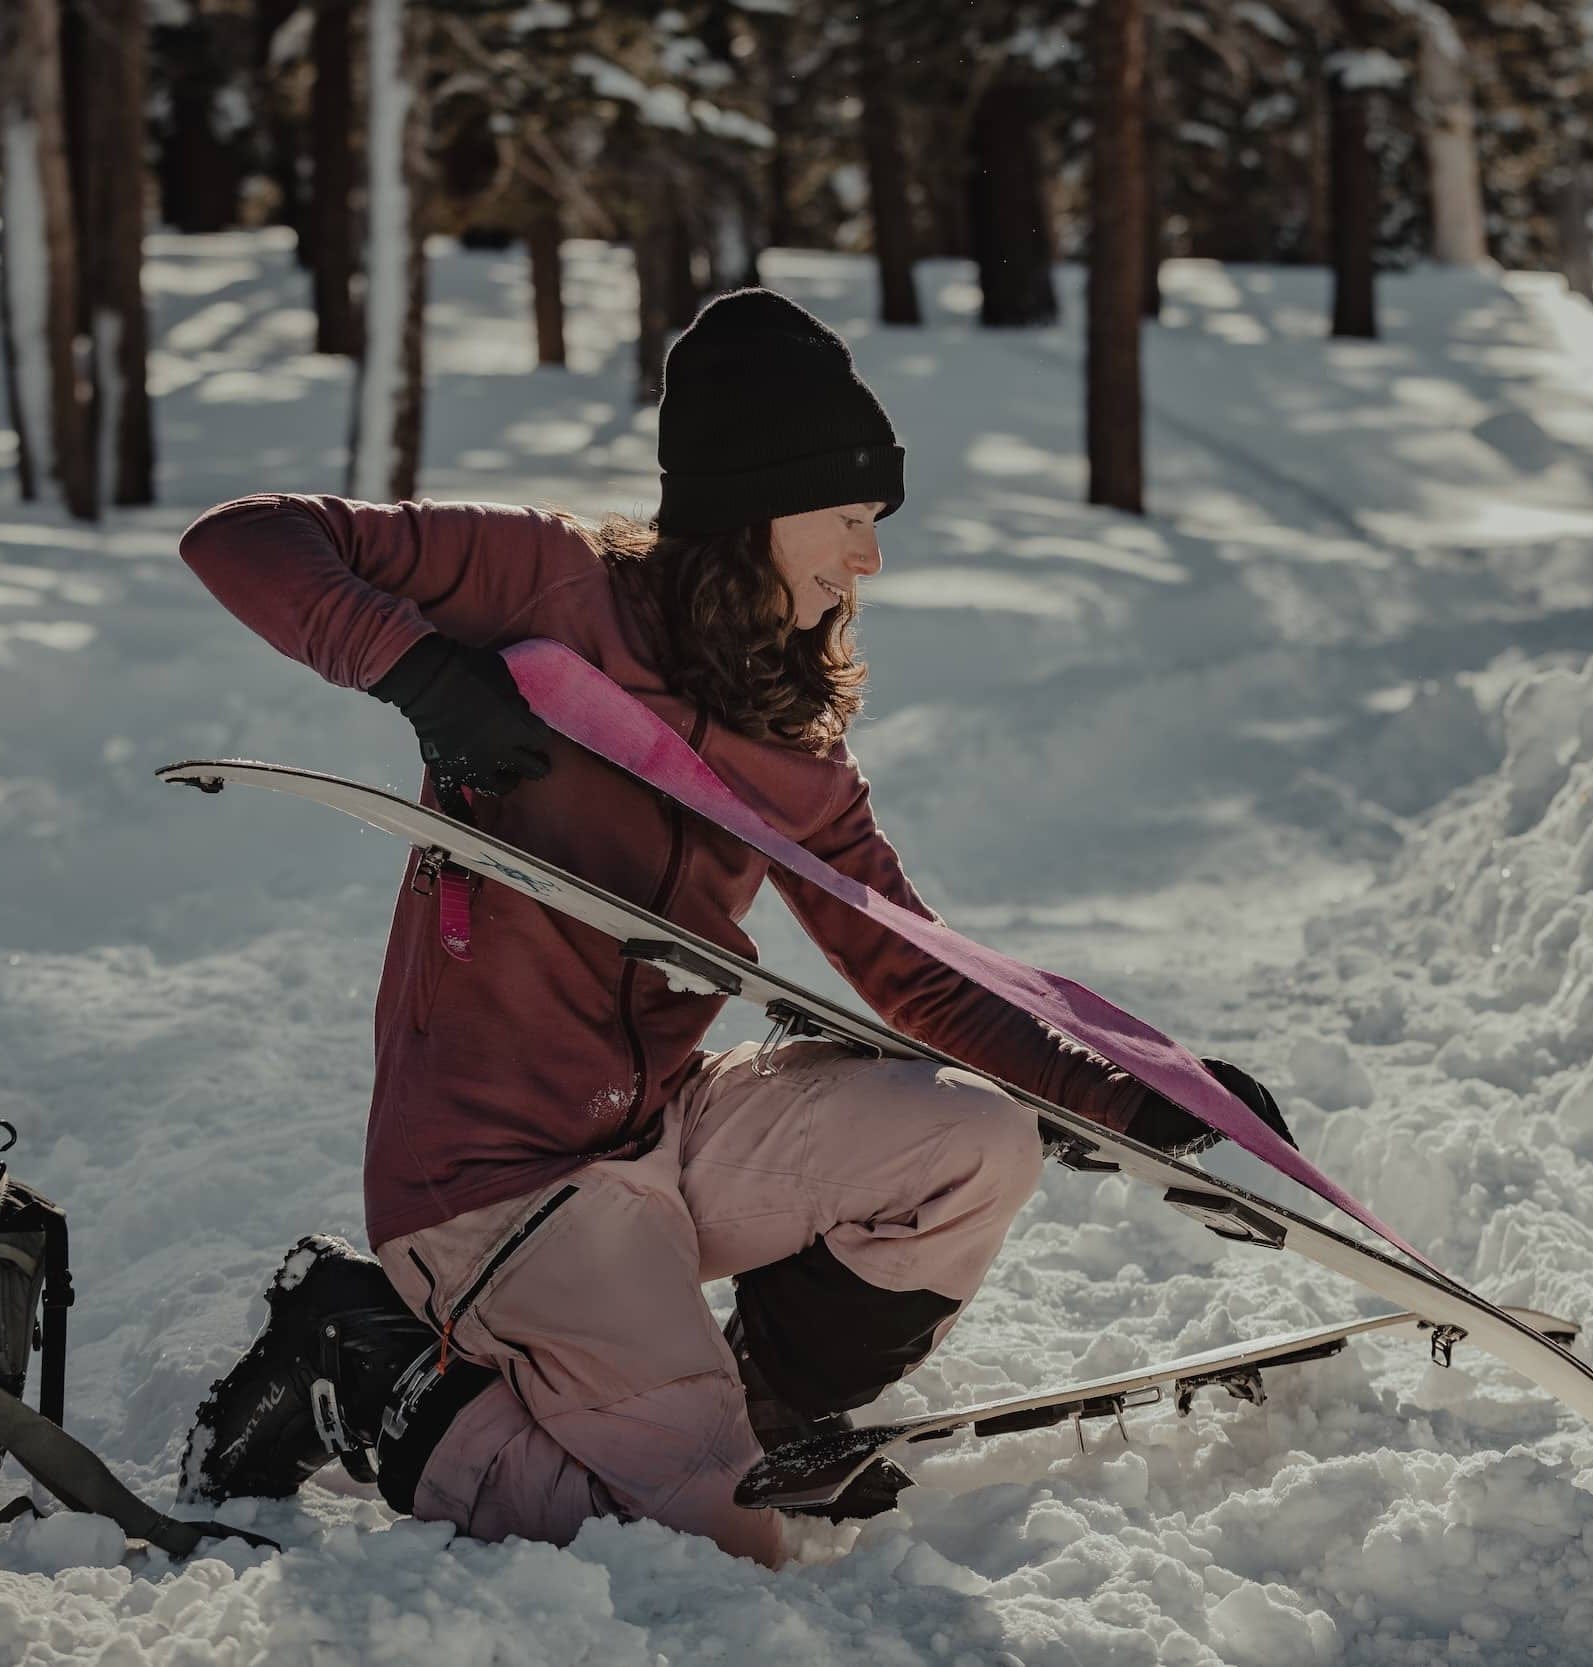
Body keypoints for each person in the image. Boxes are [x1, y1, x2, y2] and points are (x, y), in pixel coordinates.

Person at [176, 290, 1293, 1567]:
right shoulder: (547, 580)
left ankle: (743, 1423)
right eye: (852, 521)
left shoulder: (789, 736)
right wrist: (427, 677)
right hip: (490, 1182)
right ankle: (360, 1349)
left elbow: (915, 971)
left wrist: (1130, 1099)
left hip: (663, 1130)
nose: (868, 560)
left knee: (973, 1138)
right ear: (759, 503)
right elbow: (245, 537)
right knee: (712, 1554)